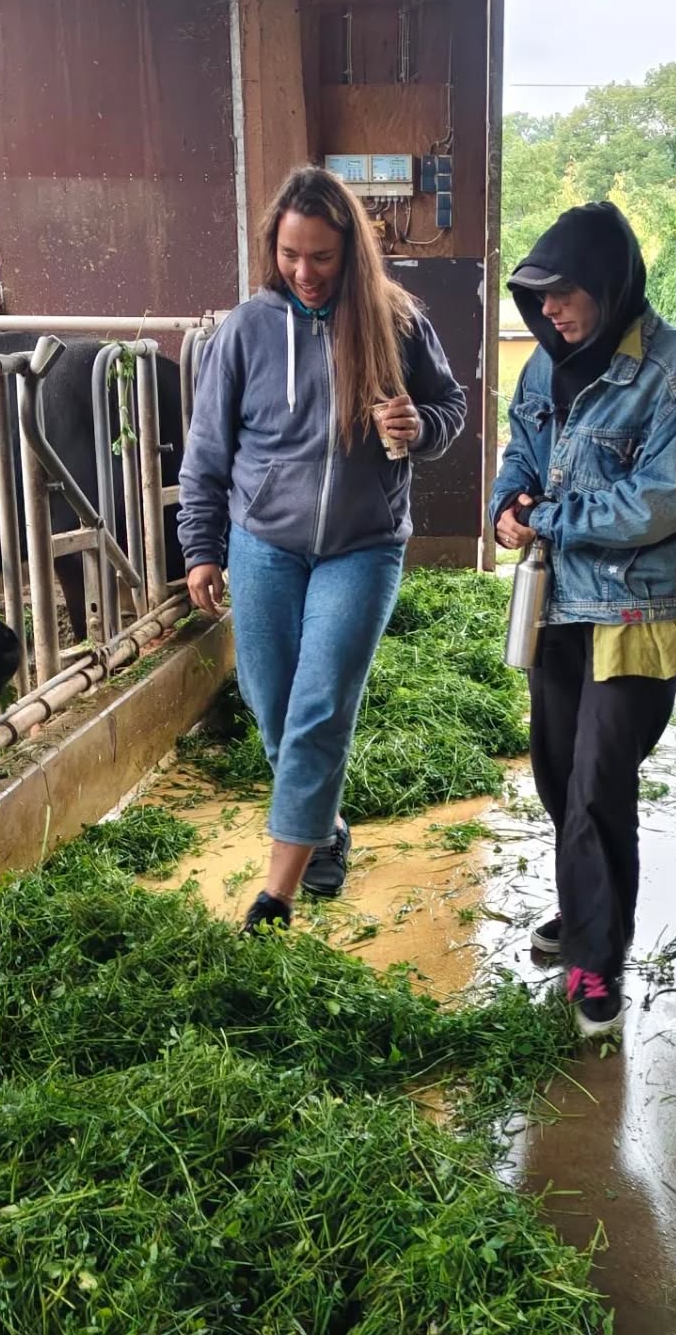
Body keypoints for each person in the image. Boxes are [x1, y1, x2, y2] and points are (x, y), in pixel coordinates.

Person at [178, 165, 466, 931]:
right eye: (290, 255)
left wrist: (419, 428)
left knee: (317, 708)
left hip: (362, 547)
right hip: (263, 543)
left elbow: (449, 408)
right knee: (271, 708)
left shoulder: (397, 321)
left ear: (352, 253)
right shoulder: (243, 331)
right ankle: (326, 826)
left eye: (323, 257)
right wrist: (201, 548)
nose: (304, 273)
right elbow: (206, 451)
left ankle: (277, 893)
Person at [491, 202, 676, 1038]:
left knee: (596, 782)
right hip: (557, 605)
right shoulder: (542, 369)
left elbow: (664, 500)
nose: (549, 311)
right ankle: (583, 911)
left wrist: (546, 517)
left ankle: (597, 958)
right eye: (537, 297)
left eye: (564, 294)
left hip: (635, 609)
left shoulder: (675, 372)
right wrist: (504, 508)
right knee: (556, 772)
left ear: (611, 284)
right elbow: (519, 457)